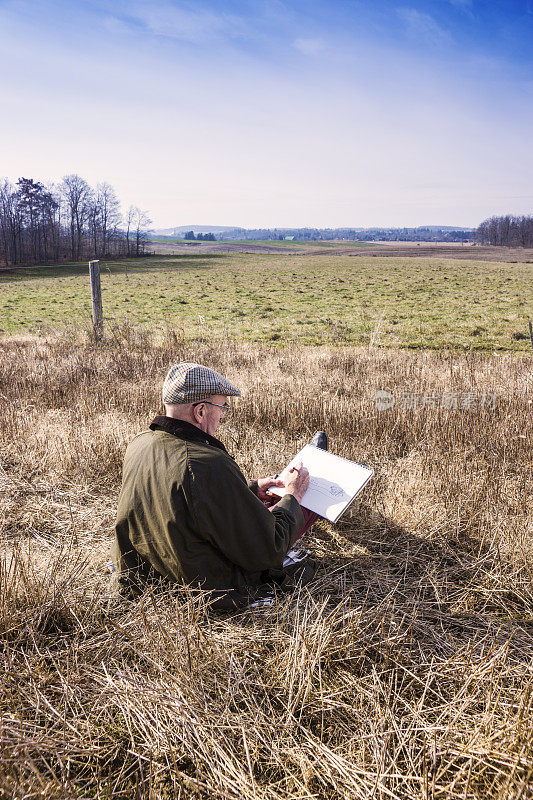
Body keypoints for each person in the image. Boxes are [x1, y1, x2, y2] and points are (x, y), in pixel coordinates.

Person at [112, 361, 326, 609]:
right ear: (200, 411)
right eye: (223, 406)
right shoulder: (207, 463)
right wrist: (293, 494)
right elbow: (268, 548)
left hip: (154, 575)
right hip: (208, 588)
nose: (224, 415)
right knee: (297, 505)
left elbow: (179, 497)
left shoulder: (140, 444)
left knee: (271, 503)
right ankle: (315, 470)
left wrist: (249, 489)